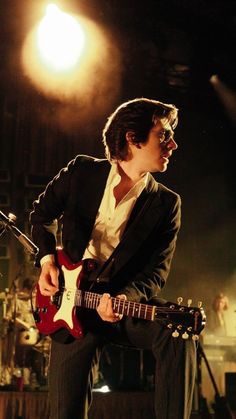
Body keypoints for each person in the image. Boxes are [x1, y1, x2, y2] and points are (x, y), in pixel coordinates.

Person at [30, 98, 197, 419]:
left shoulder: (167, 204)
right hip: (69, 305)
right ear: (133, 139)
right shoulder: (82, 171)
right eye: (163, 135)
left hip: (121, 305)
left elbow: (156, 273)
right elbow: (41, 216)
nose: (173, 144)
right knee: (65, 412)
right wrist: (47, 261)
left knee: (179, 332)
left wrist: (124, 297)